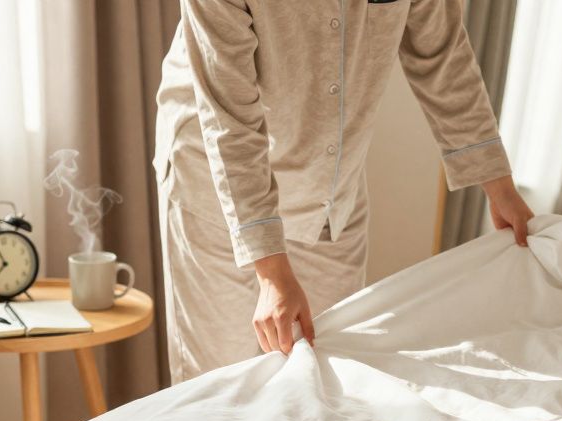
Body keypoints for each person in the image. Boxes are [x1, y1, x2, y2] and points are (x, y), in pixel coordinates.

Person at [154, 0, 533, 383]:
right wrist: (270, 271)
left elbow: (442, 53)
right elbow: (228, 116)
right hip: (215, 186)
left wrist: (498, 184)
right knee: (219, 385)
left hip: (332, 190)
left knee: (329, 384)